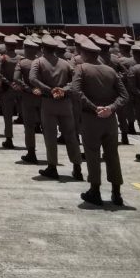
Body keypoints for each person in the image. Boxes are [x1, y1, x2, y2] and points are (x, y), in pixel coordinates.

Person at [72, 38, 129, 206]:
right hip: (110, 119)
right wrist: (110, 108)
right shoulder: (110, 71)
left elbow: (76, 91)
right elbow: (124, 96)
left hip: (91, 118)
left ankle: (95, 190)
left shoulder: (81, 68)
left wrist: (94, 107)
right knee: (112, 155)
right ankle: (116, 192)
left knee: (92, 154)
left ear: (84, 54)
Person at [30, 36, 83, 181]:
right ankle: (77, 167)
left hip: (49, 102)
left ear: (42, 48)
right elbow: (76, 80)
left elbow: (33, 79)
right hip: (65, 103)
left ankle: (52, 167)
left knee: (50, 136)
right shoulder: (65, 63)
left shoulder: (38, 61)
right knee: (71, 136)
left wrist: (50, 90)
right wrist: (64, 90)